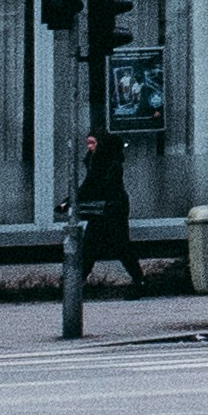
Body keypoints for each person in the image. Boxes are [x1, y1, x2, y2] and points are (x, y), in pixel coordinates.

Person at [72, 122, 141, 295]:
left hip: (112, 208)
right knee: (95, 246)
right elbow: (91, 183)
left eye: (92, 143)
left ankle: (73, 286)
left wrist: (73, 199)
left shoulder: (108, 161)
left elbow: (94, 184)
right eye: (88, 143)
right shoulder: (97, 160)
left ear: (101, 143)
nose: (89, 146)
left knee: (114, 246)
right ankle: (74, 285)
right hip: (106, 208)